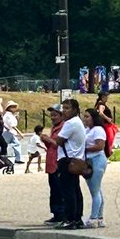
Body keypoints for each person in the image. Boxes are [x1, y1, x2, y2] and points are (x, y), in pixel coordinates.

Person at [54, 97, 86, 229]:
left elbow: (59, 140)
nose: (64, 111)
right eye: (63, 108)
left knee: (67, 191)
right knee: (75, 189)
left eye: (67, 108)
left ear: (75, 110)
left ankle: (70, 218)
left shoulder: (70, 123)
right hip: (76, 159)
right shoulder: (78, 122)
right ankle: (77, 218)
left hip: (67, 160)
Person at [81, 108, 108, 227]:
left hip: (97, 160)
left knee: (95, 191)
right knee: (97, 189)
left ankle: (93, 217)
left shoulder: (98, 130)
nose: (85, 119)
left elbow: (100, 146)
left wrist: (84, 149)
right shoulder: (87, 130)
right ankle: (99, 217)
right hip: (89, 160)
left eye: (87, 117)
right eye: (84, 116)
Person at [40, 106, 65, 224]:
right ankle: (56, 213)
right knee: (54, 189)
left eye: (55, 115)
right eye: (51, 115)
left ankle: (62, 213)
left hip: (58, 162)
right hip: (51, 161)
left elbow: (60, 144)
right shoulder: (54, 128)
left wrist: (48, 140)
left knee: (59, 189)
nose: (52, 118)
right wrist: (45, 140)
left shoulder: (63, 127)